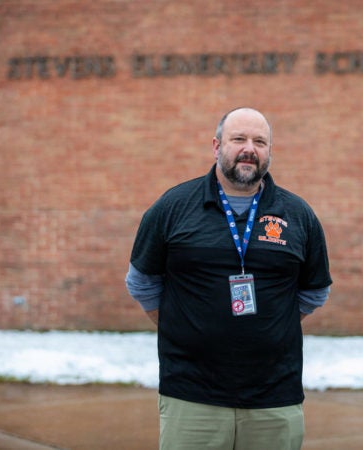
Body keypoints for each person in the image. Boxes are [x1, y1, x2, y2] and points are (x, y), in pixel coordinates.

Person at [125, 107, 332, 450]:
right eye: (239, 139)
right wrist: (181, 327)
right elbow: (142, 281)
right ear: (217, 146)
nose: (249, 148)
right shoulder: (174, 206)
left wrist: (270, 328)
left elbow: (314, 291)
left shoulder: (297, 215)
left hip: (274, 397)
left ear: (269, 151)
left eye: (260, 141)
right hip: (192, 395)